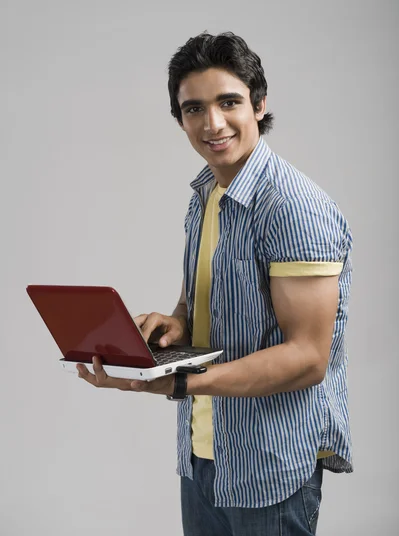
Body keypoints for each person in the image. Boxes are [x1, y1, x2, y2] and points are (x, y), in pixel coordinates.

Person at [77, 32, 353, 535]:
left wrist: (180, 382)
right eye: (194, 108)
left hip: (270, 464)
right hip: (204, 454)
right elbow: (203, 292)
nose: (213, 123)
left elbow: (309, 357)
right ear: (179, 118)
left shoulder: (294, 207)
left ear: (260, 103)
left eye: (229, 102)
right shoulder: (206, 194)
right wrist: (175, 323)